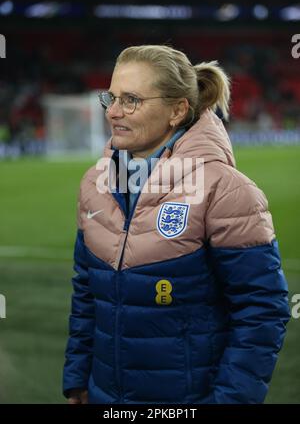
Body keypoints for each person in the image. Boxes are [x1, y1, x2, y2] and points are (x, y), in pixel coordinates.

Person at [63, 45, 290, 404]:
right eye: (112, 97)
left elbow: (262, 310)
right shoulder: (94, 184)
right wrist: (78, 378)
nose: (114, 112)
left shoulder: (225, 189)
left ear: (177, 110)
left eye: (132, 100)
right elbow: (87, 294)